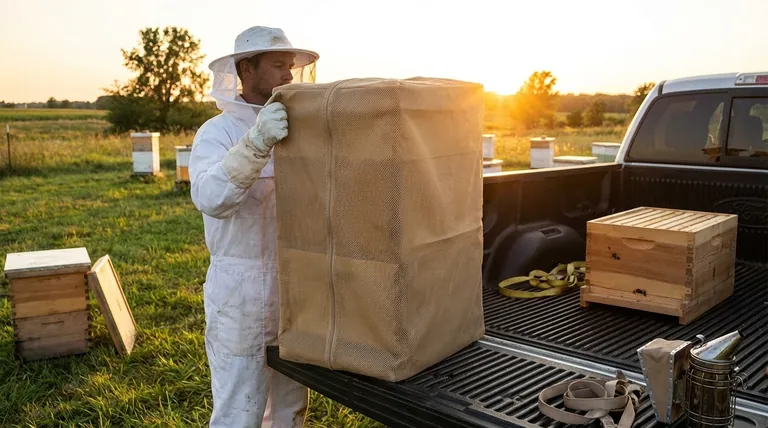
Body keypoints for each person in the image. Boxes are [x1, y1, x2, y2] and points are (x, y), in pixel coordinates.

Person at [188, 26, 319, 427]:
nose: (289, 74)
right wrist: (257, 142)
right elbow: (211, 198)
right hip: (239, 292)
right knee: (240, 410)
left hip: (294, 289)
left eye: (291, 65)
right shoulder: (217, 132)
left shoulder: (299, 130)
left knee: (289, 407)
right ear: (246, 69)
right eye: (278, 65)